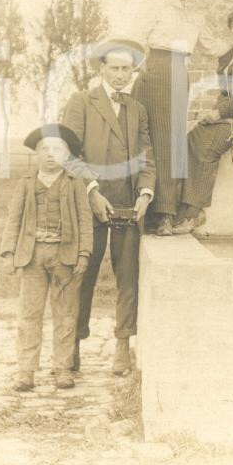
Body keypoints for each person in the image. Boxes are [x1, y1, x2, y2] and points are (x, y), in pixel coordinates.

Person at [62, 38, 156, 376]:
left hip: (127, 206)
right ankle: (72, 344)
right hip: (90, 204)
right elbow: (70, 154)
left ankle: (121, 345)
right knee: (82, 274)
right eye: (114, 68)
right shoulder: (81, 102)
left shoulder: (136, 108)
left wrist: (145, 192)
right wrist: (91, 190)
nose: (120, 75)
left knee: (128, 277)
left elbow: (146, 157)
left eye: (126, 69)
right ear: (102, 69)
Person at [129, 0, 228, 236]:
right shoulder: (153, 6)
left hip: (178, 73)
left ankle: (165, 213)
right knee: (147, 139)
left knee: (172, 142)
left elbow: (213, 46)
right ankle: (144, 211)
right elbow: (135, 39)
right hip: (154, 71)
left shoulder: (196, 16)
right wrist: (139, 69)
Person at [0, 124, 93, 392]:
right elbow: (13, 220)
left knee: (66, 314)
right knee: (29, 314)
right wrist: (8, 253)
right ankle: (25, 371)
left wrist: (84, 253)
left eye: (58, 150)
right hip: (32, 256)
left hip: (66, 257)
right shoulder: (26, 184)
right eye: (44, 149)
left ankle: (63, 369)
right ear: (36, 154)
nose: (51, 155)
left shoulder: (75, 184)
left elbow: (85, 221)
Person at [174, 7, 233, 234]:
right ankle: (182, 205)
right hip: (228, 115)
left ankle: (194, 212)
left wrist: (220, 112)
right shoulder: (229, 54)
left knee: (208, 146)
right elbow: (225, 91)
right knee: (191, 138)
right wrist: (216, 110)